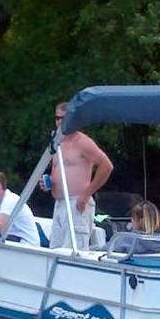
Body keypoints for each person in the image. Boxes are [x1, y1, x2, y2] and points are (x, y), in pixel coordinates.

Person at [44, 101, 114, 249]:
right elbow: (58, 170)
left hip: (77, 204)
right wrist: (49, 182)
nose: (60, 122)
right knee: (54, 250)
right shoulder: (57, 142)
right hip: (59, 204)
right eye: (57, 118)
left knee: (73, 251)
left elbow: (107, 166)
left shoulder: (83, 142)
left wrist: (86, 194)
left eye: (64, 118)